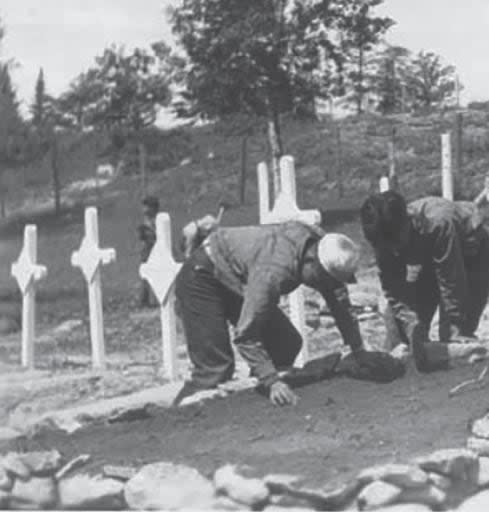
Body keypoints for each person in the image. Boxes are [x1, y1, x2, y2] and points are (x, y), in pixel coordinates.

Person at [174, 220, 383, 406]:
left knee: (286, 343)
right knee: (215, 369)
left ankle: (249, 401)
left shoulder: (321, 246)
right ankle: (178, 414)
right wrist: (272, 381)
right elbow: (246, 335)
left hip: (236, 276)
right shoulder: (273, 273)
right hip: (202, 277)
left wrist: (358, 350)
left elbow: (340, 305)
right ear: (311, 263)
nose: (326, 287)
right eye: (324, 280)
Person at [360, 191, 489, 370]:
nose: (393, 250)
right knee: (404, 334)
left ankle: (465, 372)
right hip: (430, 255)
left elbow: (451, 280)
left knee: (456, 332)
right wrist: (411, 324)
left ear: (407, 223)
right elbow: (394, 288)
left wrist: (453, 326)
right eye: (387, 246)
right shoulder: (382, 236)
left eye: (396, 242)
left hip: (473, 249)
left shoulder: (437, 222)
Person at [137, 195, 159, 308]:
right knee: (145, 275)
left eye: (147, 207)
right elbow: (142, 237)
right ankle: (144, 299)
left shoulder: (157, 221)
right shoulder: (145, 222)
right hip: (146, 251)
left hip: (155, 250)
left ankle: (154, 299)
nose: (144, 210)